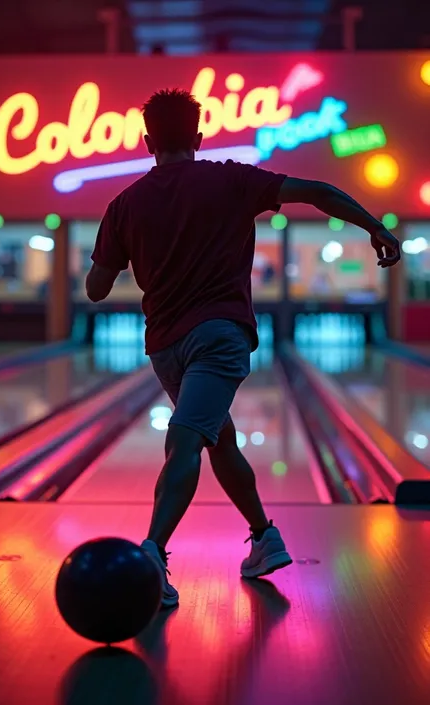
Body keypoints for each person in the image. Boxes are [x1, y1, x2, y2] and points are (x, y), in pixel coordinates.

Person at [86, 88, 400, 608]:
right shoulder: (232, 178)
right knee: (219, 442)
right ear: (199, 137)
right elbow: (317, 191)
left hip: (177, 344)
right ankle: (265, 538)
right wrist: (376, 227)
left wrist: (122, 253)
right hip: (218, 332)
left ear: (146, 143)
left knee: (184, 440)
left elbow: (97, 288)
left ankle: (151, 556)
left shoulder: (123, 206)